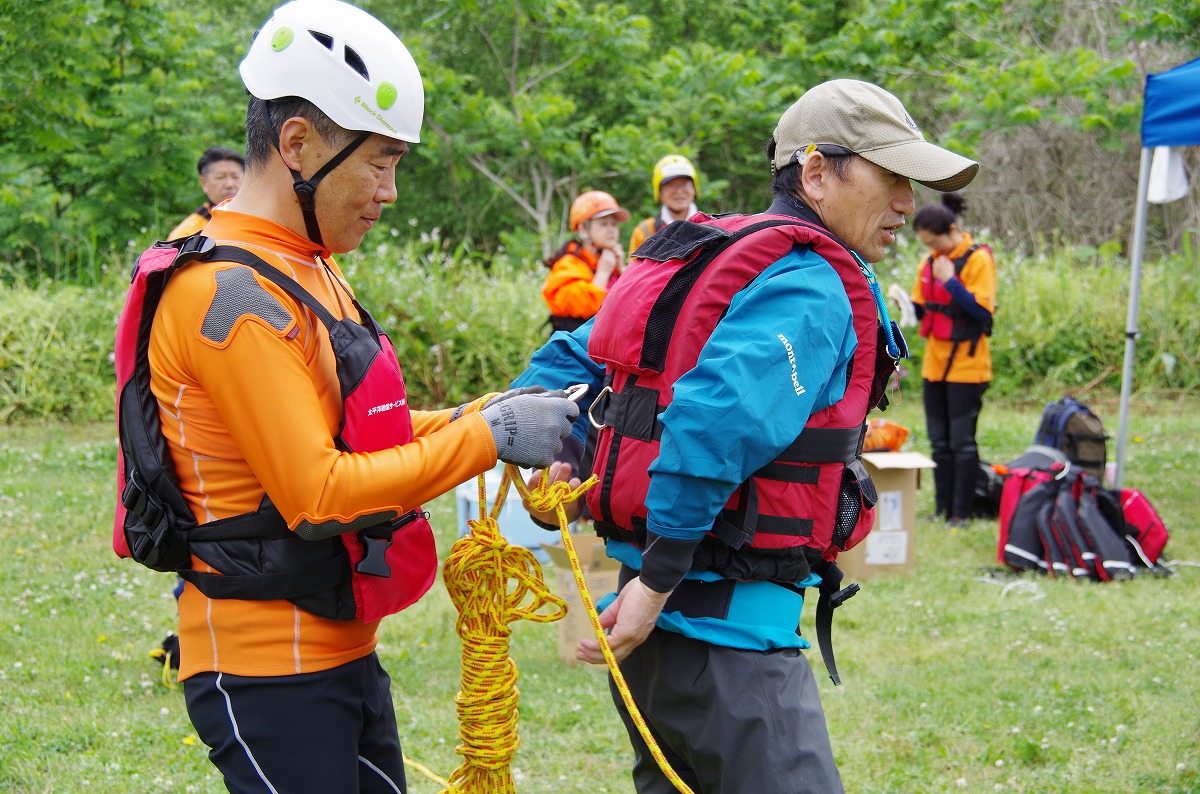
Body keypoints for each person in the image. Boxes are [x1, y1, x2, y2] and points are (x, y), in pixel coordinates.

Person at [112, 2, 578, 791]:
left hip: (340, 649)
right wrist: (489, 437)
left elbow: (361, 430)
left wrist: (492, 413)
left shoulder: (303, 262)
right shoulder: (232, 295)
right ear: (298, 144)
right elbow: (318, 495)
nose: (390, 192)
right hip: (266, 670)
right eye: (380, 161)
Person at [514, 78, 978, 793]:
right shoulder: (813, 286)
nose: (905, 204)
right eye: (891, 176)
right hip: (725, 648)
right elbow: (712, 418)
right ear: (817, 172)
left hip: (651, 644)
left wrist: (555, 449)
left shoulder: (709, 252)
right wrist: (656, 586)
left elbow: (569, 358)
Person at [909, 192, 996, 527]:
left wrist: (951, 282)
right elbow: (921, 308)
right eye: (928, 245)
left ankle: (962, 512)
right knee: (939, 443)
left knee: (962, 443)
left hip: (967, 368)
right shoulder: (930, 262)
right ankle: (942, 509)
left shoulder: (977, 260)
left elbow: (981, 311)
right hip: (935, 365)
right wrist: (905, 305)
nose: (934, 250)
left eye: (937, 242)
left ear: (952, 230)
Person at [541, 190, 629, 332]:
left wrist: (622, 271)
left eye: (614, 224)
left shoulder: (611, 261)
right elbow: (587, 308)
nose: (611, 230)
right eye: (603, 224)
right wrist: (603, 272)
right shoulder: (568, 265)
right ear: (583, 229)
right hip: (576, 349)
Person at [626, 154, 701, 257]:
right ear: (660, 193)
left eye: (684, 184)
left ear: (694, 189)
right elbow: (634, 271)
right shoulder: (645, 231)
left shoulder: (713, 226)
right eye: (671, 186)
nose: (679, 191)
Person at [166, 146, 245, 239]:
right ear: (204, 182)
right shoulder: (187, 233)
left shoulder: (260, 218)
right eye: (220, 177)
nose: (229, 184)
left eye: (235, 177)